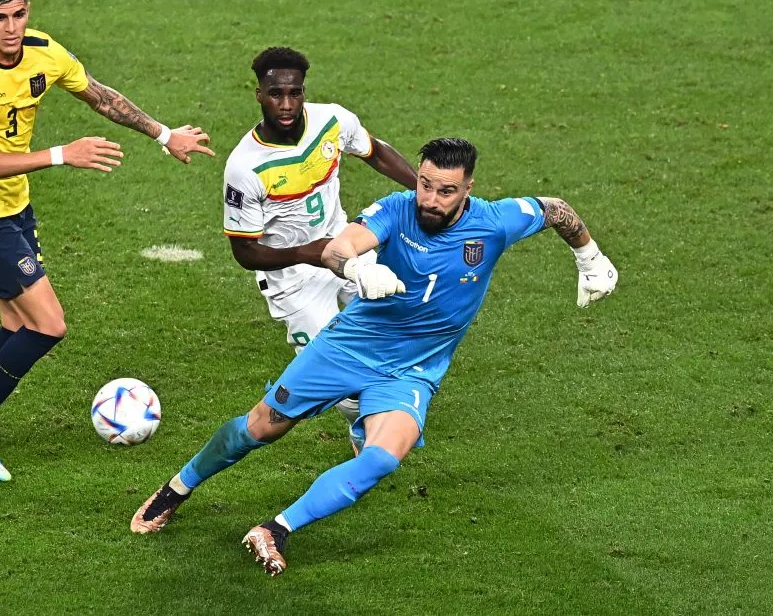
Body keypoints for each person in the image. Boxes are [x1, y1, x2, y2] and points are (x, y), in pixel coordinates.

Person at [131, 137, 618, 575]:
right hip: (350, 345)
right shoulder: (397, 208)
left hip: (413, 368)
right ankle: (177, 488)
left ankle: (275, 529)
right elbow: (341, 246)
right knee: (261, 427)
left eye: (445, 191)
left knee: (384, 457)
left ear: (468, 188)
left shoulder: (494, 223)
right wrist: (357, 267)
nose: (429, 198)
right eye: (425, 184)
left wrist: (590, 258)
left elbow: (555, 208)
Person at [0, 0, 214, 482]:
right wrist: (64, 154)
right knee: (49, 324)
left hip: (14, 209)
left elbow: (99, 95)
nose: (10, 27)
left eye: (18, 15)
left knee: (17, 327)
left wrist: (163, 134)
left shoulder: (45, 51)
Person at [223, 47, 417, 448]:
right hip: (293, 281)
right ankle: (362, 430)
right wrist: (308, 252)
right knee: (337, 381)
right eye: (276, 94)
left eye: (295, 93)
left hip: (349, 249)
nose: (287, 104)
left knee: (395, 332)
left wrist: (423, 192)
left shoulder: (333, 120)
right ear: (259, 94)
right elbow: (245, 252)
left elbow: (375, 150)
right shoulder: (245, 166)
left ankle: (386, 422)